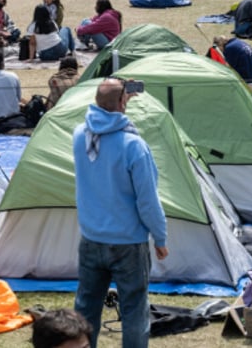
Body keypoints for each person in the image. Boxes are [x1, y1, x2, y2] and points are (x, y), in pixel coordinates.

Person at [73, 77, 168, 348]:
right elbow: (147, 201)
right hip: (128, 242)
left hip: (91, 237)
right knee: (134, 309)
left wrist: (118, 98)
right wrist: (160, 238)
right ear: (123, 101)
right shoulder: (133, 145)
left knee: (85, 308)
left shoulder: (81, 135)